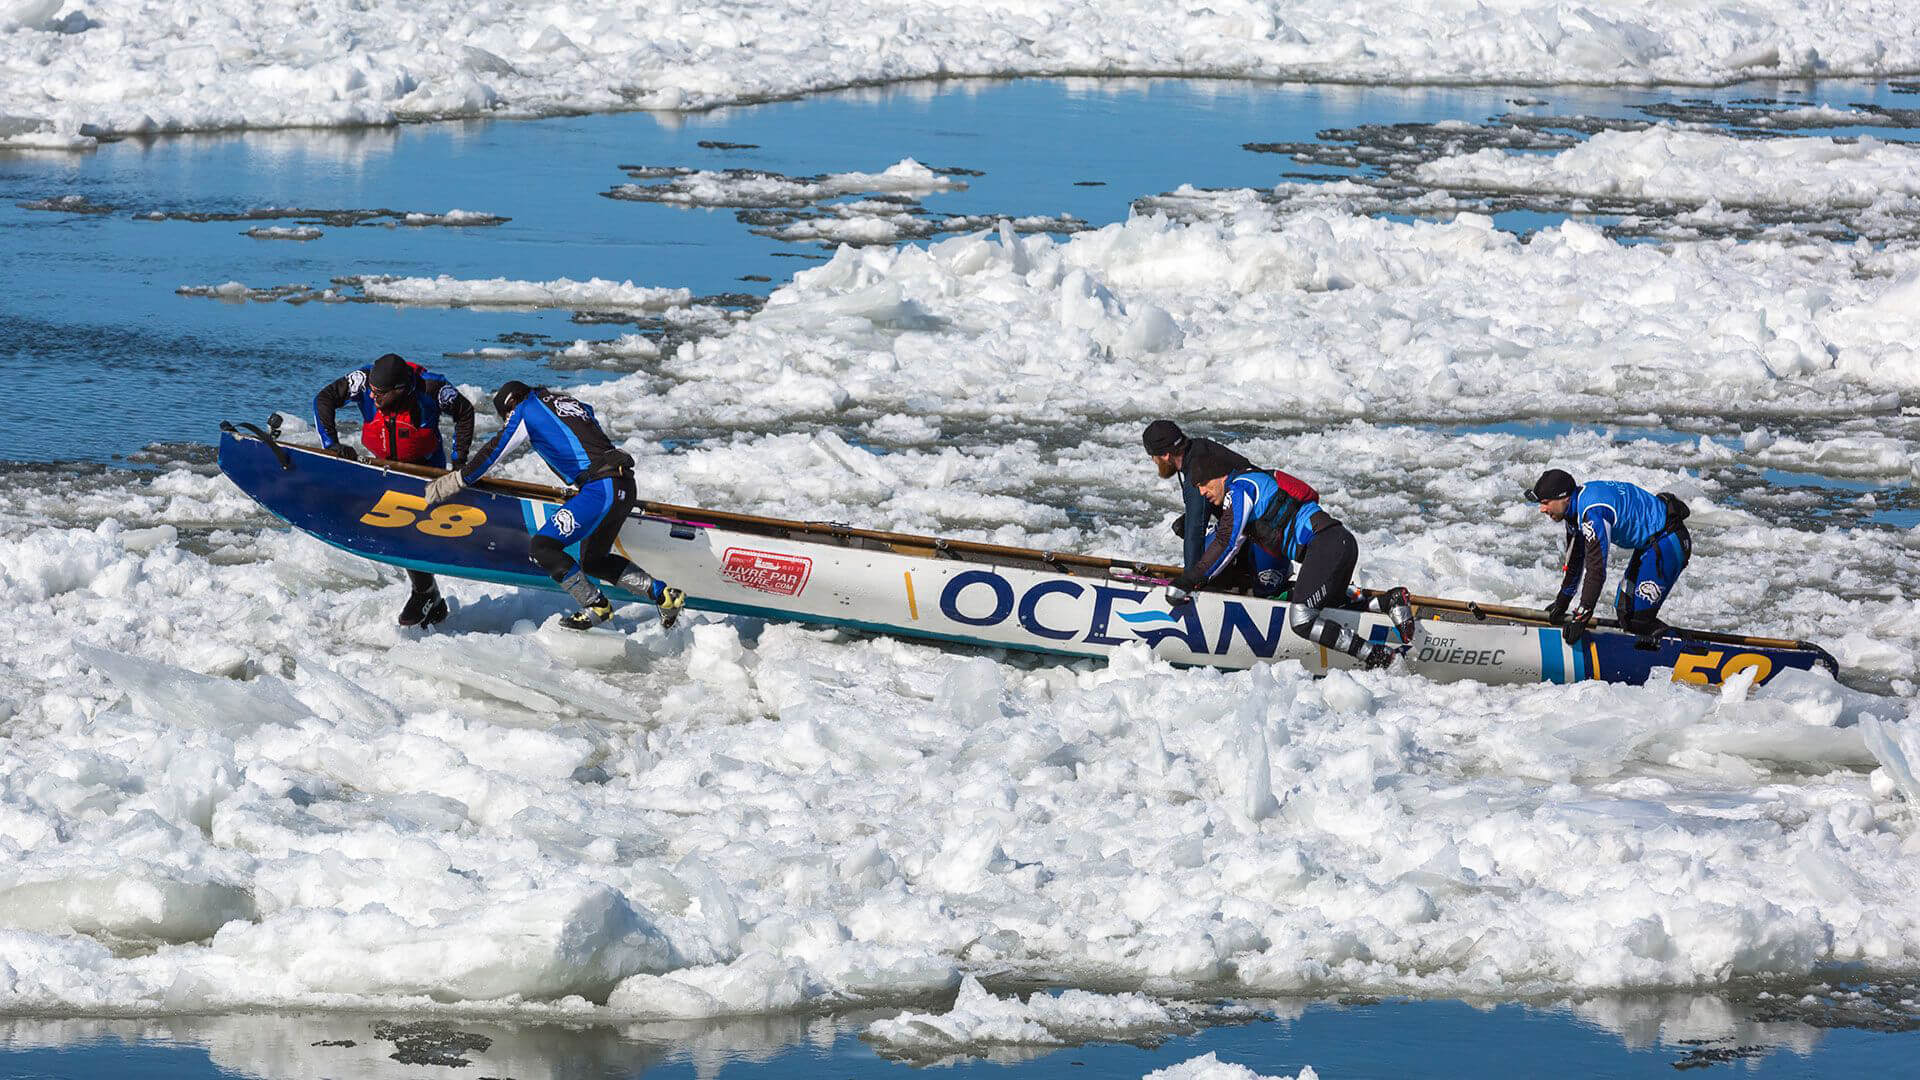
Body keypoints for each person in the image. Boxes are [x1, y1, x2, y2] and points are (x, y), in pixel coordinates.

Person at [424, 381, 685, 631]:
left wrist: (458, 479)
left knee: (542, 547)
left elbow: (496, 449)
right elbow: (584, 425)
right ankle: (664, 595)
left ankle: (596, 605)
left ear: (511, 404)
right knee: (594, 561)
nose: (508, 422)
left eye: (506, 417)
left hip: (601, 487)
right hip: (624, 484)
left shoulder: (526, 408)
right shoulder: (565, 401)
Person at [1171, 443, 1416, 670]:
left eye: (1203, 483)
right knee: (1327, 607)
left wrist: (1189, 579)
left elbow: (1227, 541)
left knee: (1301, 618)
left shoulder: (1241, 488)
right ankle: (1388, 602)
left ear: (1220, 476)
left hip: (1328, 546)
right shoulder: (1248, 485)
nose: (1202, 491)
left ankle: (1379, 656)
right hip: (1334, 545)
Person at [314, 352, 475, 627]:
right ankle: (429, 596)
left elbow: (465, 411)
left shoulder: (433, 388)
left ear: (400, 389)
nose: (374, 399)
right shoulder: (363, 381)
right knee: (393, 525)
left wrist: (459, 464)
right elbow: (324, 399)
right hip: (383, 465)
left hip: (424, 467)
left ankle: (425, 594)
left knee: (414, 529)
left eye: (381, 394)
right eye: (372, 393)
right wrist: (331, 445)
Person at [1527, 468, 1691, 642]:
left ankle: (1684, 649)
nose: (1542, 509)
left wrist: (1582, 616)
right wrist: (1562, 602)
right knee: (1625, 612)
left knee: (1638, 619)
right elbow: (1575, 562)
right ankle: (1650, 649)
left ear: (1564, 497)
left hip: (1669, 542)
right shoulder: (1574, 511)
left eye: (1545, 502)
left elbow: (1596, 569)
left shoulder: (1593, 513)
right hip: (1651, 543)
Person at [1142, 419, 1258, 588]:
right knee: (1182, 525)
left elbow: (1195, 532)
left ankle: (1232, 580)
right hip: (1245, 524)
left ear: (1166, 455)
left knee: (1193, 534)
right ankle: (1233, 575)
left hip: (1263, 534)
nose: (1154, 461)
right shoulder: (1198, 448)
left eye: (1152, 456)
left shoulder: (1198, 473)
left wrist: (1188, 582)